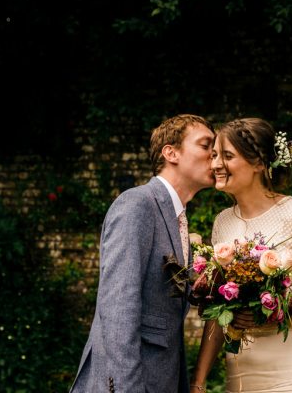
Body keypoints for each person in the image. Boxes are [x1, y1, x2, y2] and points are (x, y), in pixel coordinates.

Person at [190, 118, 292, 393]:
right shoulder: (222, 222)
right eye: (214, 155)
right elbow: (218, 311)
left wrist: (277, 315)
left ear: (259, 163)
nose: (215, 165)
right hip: (241, 366)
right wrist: (199, 381)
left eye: (227, 156)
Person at [70, 114, 215, 393]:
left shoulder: (176, 218)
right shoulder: (137, 205)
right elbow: (117, 308)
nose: (215, 155)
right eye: (205, 145)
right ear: (171, 153)